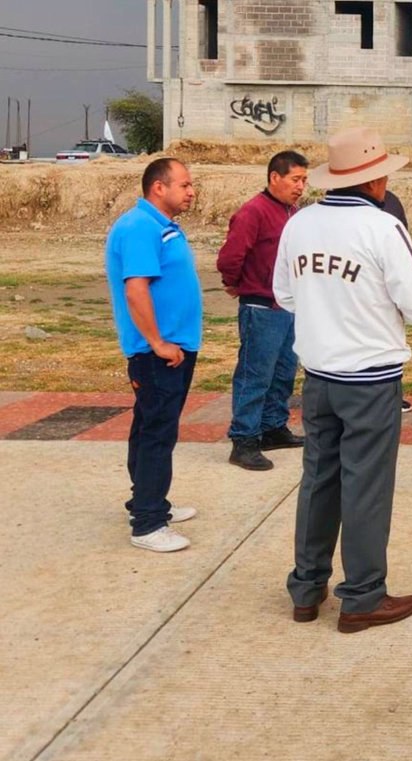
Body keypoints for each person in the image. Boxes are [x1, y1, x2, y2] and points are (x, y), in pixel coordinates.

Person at [273, 127, 412, 633]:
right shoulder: (382, 228)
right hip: (369, 376)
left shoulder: (299, 223)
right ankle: (362, 595)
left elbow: (284, 293)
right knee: (366, 485)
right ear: (375, 180)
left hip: (318, 372)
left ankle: (307, 585)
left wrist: (327, 316)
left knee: (319, 477)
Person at [104, 158, 201, 553]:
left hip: (173, 348)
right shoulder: (139, 227)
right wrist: (158, 342)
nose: (191, 191)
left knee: (149, 428)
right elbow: (135, 289)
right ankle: (147, 524)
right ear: (158, 187)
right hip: (157, 353)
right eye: (184, 184)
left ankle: (149, 501)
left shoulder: (162, 225)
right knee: (157, 434)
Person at [217, 150, 309, 471]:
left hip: (287, 307)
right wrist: (236, 283)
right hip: (261, 307)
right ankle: (244, 439)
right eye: (295, 179)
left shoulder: (292, 212)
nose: (300, 186)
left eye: (304, 180)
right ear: (275, 177)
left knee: (283, 372)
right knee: (254, 374)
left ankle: (273, 427)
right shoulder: (253, 212)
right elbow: (230, 257)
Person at [382, 188, 412, 413]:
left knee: (392, 340)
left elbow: (404, 240)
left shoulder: (391, 200)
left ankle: (392, 394)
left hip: (388, 285)